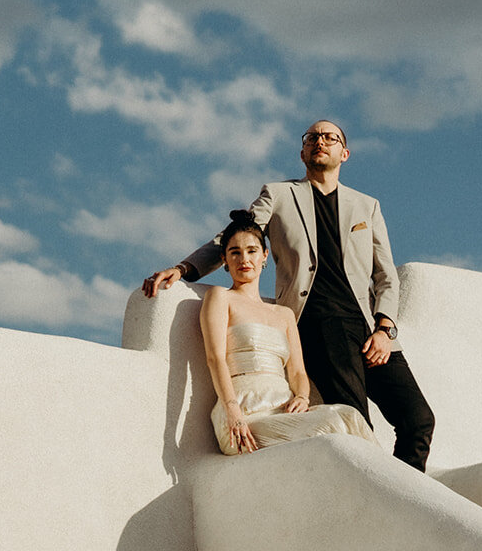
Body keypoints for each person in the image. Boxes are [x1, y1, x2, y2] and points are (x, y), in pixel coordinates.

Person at [144, 120, 435, 470]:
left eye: (330, 137)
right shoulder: (279, 195)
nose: (320, 141)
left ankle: (400, 497)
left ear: (344, 153)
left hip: (370, 329)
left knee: (419, 420)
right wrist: (185, 269)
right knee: (356, 423)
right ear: (302, 151)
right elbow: (235, 237)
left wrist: (385, 330)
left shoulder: (367, 206)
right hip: (318, 323)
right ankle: (374, 497)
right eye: (312, 137)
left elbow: (386, 275)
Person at [199, 209, 376, 455]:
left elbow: (297, 371)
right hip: (244, 414)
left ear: (264, 256)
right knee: (330, 427)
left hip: (283, 408)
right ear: (225, 260)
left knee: (350, 417)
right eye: (234, 253)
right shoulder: (220, 298)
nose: (244, 259)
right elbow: (214, 358)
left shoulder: (284, 314)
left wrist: (302, 397)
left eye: (251, 251)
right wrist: (232, 411)